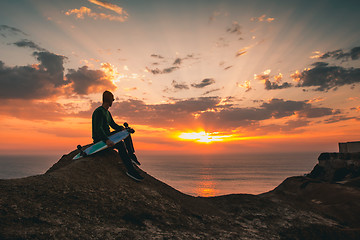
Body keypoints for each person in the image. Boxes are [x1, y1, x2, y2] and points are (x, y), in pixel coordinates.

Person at [92, 90, 143, 181]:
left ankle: (131, 155)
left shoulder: (107, 112)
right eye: (112, 100)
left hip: (107, 136)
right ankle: (131, 171)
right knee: (120, 145)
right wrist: (107, 140)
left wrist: (122, 129)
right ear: (109, 100)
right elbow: (98, 128)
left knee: (126, 133)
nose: (113, 102)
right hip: (100, 140)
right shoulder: (99, 111)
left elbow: (113, 125)